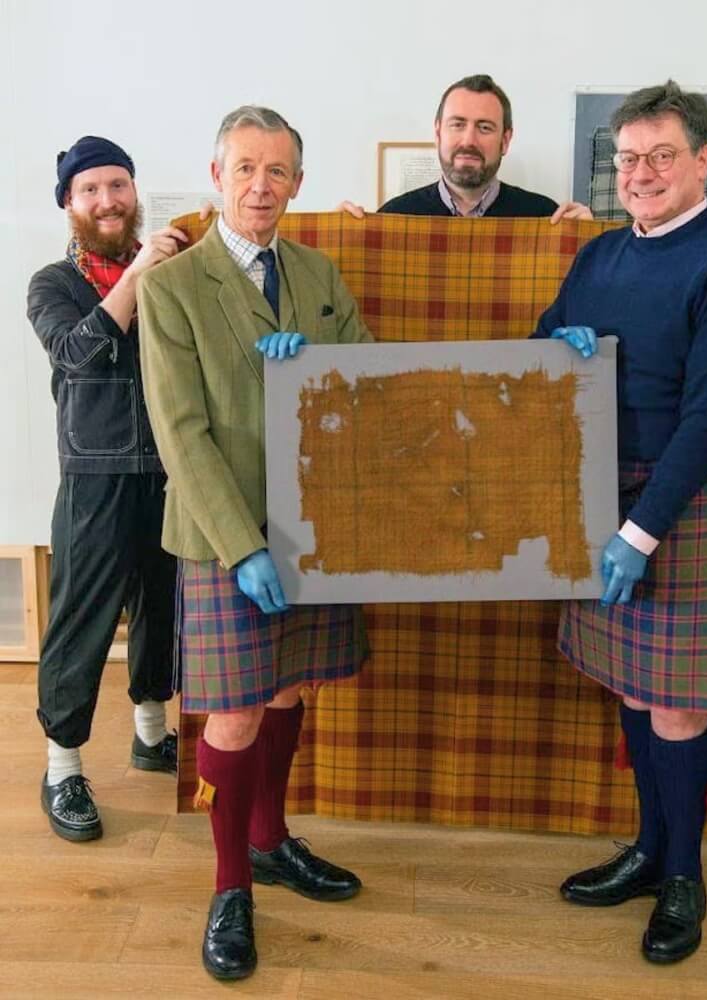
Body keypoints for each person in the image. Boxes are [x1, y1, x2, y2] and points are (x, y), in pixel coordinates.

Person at [532, 81, 707, 964]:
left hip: (692, 494)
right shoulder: (598, 256)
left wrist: (639, 534)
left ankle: (685, 876)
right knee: (635, 688)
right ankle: (647, 850)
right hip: (602, 486)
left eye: (660, 156)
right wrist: (558, 348)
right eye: (627, 158)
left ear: (703, 160)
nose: (640, 172)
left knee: (676, 706)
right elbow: (542, 341)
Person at [137, 105, 372, 982]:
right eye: (245, 168)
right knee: (234, 708)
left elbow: (368, 375)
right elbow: (182, 434)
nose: (260, 186)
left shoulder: (315, 270)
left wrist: (312, 363)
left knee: (290, 687)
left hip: (314, 525)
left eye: (277, 171)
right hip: (219, 535)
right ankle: (231, 884)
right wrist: (242, 548)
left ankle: (271, 840)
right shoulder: (171, 286)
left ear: (298, 184)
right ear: (216, 174)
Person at [29, 136, 185, 844]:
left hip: (172, 469)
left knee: (165, 605)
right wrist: (140, 276)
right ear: (70, 204)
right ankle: (62, 767)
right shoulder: (51, 284)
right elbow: (77, 352)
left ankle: (151, 733)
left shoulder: (170, 269)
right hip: (93, 478)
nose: (108, 200)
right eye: (91, 189)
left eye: (118, 185)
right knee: (81, 621)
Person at [338, 74, 592, 222]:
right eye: (457, 125)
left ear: (505, 140)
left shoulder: (544, 217)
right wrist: (340, 240)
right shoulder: (395, 217)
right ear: (438, 133)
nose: (469, 141)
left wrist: (588, 246)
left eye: (484, 128)